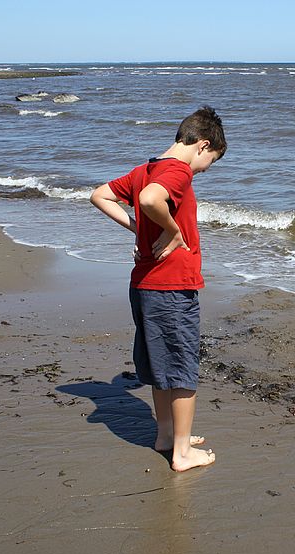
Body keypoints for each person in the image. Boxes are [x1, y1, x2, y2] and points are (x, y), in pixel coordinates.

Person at [90, 106, 227, 472]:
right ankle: (182, 453)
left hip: (145, 284)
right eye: (210, 162)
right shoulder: (178, 171)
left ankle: (167, 435)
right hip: (171, 286)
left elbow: (99, 195)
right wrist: (173, 230)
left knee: (158, 365)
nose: (204, 170)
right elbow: (152, 199)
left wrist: (138, 229)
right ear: (202, 145)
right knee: (182, 368)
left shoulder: (145, 169)